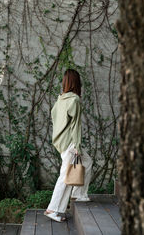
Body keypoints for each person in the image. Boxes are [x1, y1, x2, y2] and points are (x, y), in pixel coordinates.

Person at [44, 68, 93, 223]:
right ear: (76, 83)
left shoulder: (61, 99)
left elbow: (54, 116)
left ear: (65, 83)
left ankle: (78, 194)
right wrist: (77, 146)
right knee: (65, 176)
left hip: (62, 142)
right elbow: (76, 126)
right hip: (71, 143)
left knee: (87, 162)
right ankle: (52, 209)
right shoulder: (74, 100)